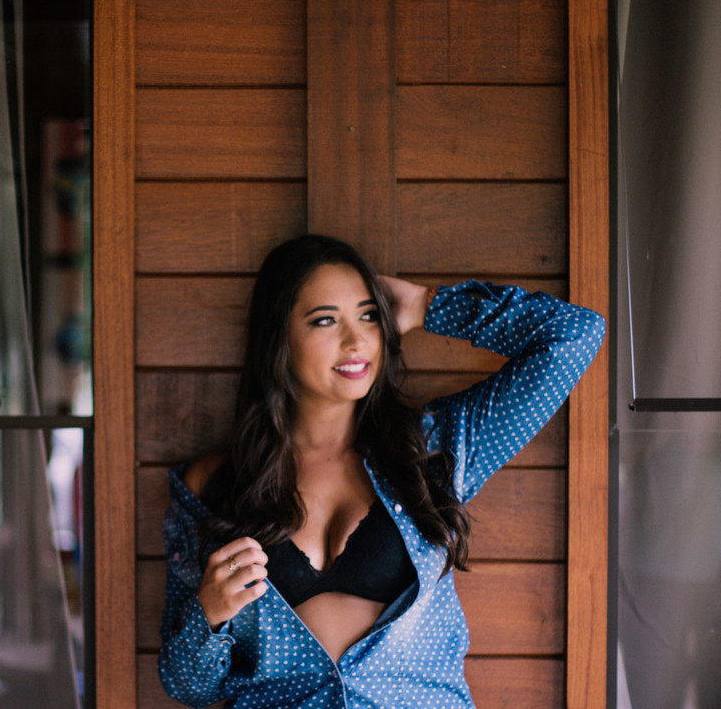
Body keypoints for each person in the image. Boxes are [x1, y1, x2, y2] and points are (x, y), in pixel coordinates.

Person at [158, 234, 604, 708]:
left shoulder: (437, 450)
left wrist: (428, 306)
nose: (356, 341)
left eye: (369, 315)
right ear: (278, 336)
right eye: (325, 320)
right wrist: (209, 616)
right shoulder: (214, 484)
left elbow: (575, 335)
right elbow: (187, 687)